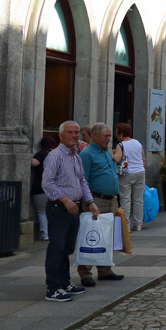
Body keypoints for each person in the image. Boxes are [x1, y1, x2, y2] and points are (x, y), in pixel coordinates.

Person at [42, 121, 97, 301]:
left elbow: (82, 181)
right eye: (70, 133)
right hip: (59, 207)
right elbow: (47, 183)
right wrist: (65, 200)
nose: (74, 136)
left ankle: (65, 282)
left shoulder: (76, 156)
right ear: (61, 135)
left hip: (75, 207)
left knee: (67, 248)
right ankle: (53, 288)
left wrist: (90, 201)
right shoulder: (55, 156)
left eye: (76, 133)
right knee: (56, 248)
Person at [78, 122, 124, 286]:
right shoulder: (87, 154)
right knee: (91, 236)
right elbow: (84, 180)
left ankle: (105, 270)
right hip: (96, 200)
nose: (108, 138)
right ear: (94, 136)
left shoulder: (105, 152)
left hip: (110, 200)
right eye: (105, 136)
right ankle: (85, 273)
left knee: (107, 237)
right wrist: (89, 202)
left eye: (109, 135)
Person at [113, 123, 146, 231]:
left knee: (125, 200)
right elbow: (143, 158)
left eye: (117, 132)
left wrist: (112, 153)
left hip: (126, 174)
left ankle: (126, 225)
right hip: (140, 172)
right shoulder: (137, 143)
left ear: (121, 133)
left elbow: (117, 159)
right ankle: (138, 224)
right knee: (138, 199)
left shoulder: (121, 145)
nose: (116, 135)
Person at [30, 136, 57, 240]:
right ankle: (52, 232)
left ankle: (44, 233)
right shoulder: (55, 155)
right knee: (51, 211)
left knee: (42, 212)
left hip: (40, 187)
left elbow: (34, 163)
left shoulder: (42, 153)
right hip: (53, 187)